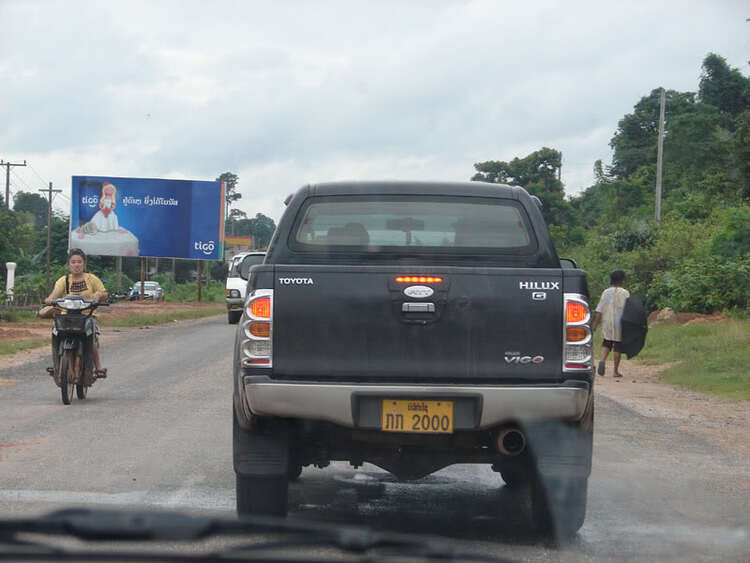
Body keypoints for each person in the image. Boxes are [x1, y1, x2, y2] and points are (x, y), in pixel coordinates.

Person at [44, 249, 108, 378]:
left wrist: (98, 295)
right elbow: (54, 294)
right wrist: (49, 300)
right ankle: (57, 364)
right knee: (55, 334)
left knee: (92, 340)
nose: (76, 265)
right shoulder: (63, 280)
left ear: (84, 264)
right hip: (66, 317)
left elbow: (104, 293)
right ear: (69, 264)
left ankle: (98, 367)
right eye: (73, 262)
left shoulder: (92, 278)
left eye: (79, 262)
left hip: (87, 316)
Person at [592, 269, 629, 378]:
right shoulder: (625, 293)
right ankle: (615, 371)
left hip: (607, 321)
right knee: (618, 346)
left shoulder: (606, 292)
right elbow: (629, 309)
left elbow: (599, 310)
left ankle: (602, 360)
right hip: (620, 322)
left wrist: (595, 324)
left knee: (607, 342)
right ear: (622, 280)